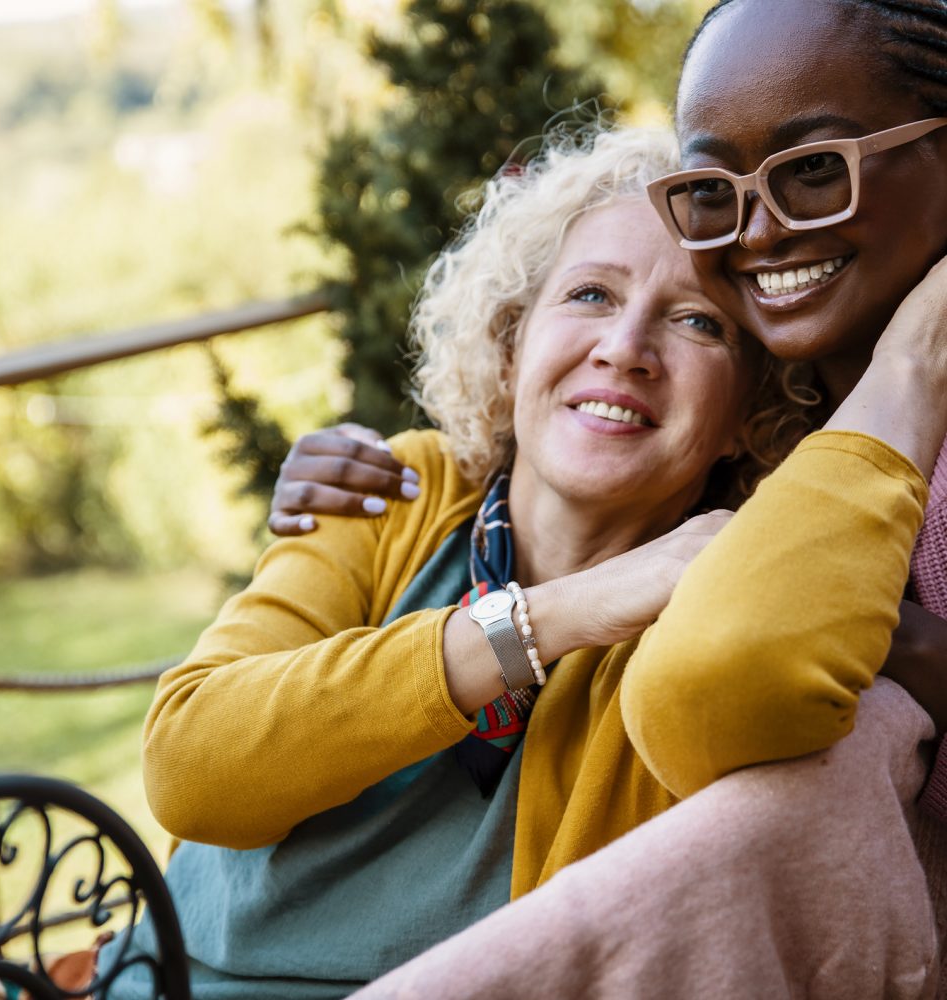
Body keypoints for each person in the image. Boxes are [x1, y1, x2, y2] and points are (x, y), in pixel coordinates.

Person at [101, 119, 947, 999]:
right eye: (589, 296)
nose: (624, 349)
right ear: (511, 347)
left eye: (699, 322)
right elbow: (190, 766)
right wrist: (555, 616)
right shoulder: (400, 490)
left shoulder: (724, 599)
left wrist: (912, 363)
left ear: (753, 407)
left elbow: (742, 703)